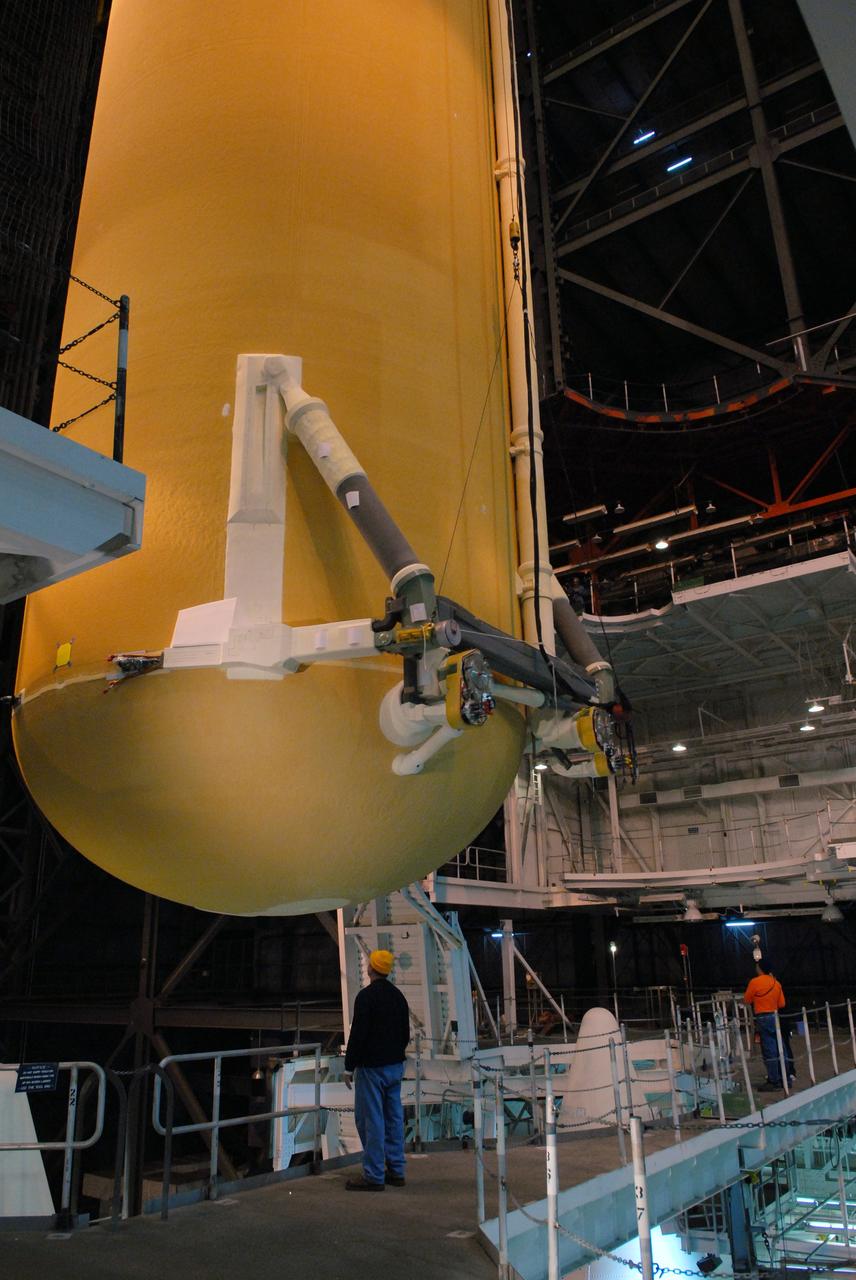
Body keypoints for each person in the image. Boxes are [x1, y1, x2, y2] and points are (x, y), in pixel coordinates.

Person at [343, 948, 411, 1191]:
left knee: (371, 1120)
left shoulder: (366, 997)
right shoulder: (398, 997)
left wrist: (349, 1066)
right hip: (395, 1066)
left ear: (371, 968)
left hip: (372, 1068)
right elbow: (405, 1033)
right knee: (393, 1118)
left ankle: (373, 1175)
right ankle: (396, 1170)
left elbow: (358, 1035)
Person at [743, 960, 795, 1091]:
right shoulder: (776, 983)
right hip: (775, 1016)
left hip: (763, 1017)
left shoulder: (754, 982)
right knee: (781, 1048)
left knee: (769, 1050)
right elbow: (782, 1003)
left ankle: (774, 1080)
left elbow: (747, 1000)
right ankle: (786, 1079)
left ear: (760, 969)